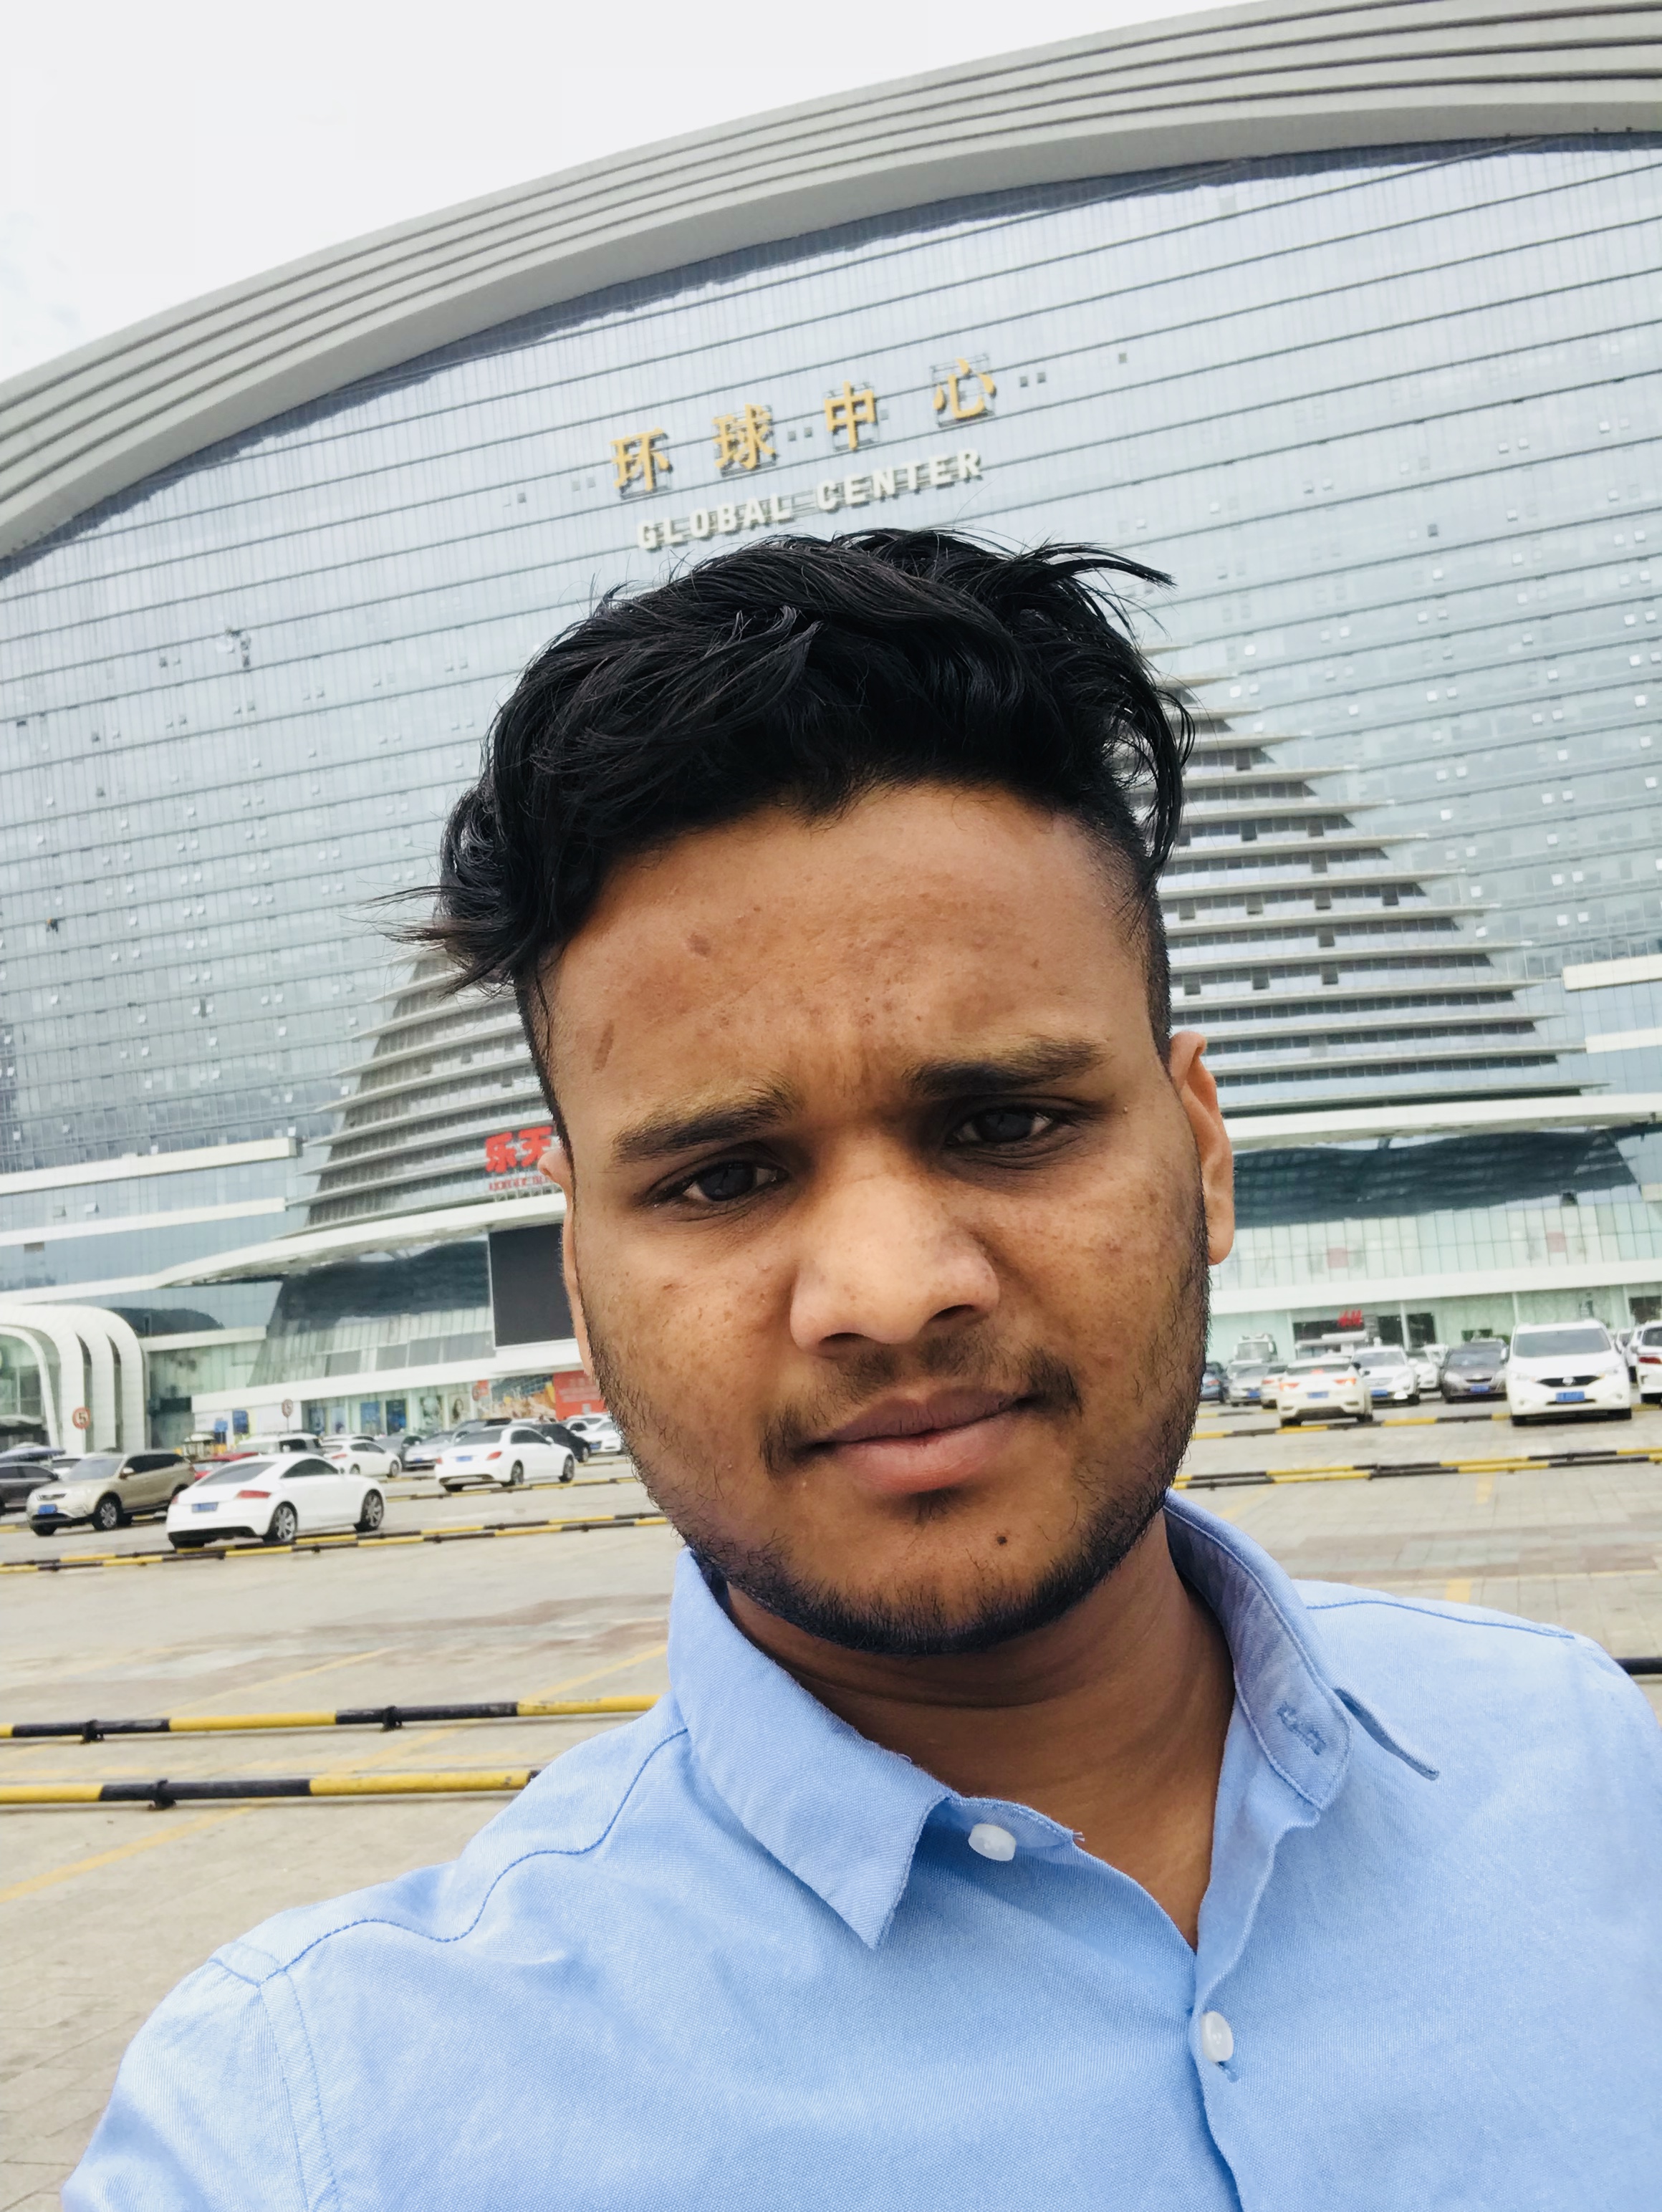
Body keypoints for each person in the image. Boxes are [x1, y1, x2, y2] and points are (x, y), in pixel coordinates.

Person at [69, 533, 1660, 2208]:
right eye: (721, 1178)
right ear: (579, 1265)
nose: (890, 1295)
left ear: (1200, 1152)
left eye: (1007, 1121)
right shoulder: (317, 2125)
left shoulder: (1576, 1767)